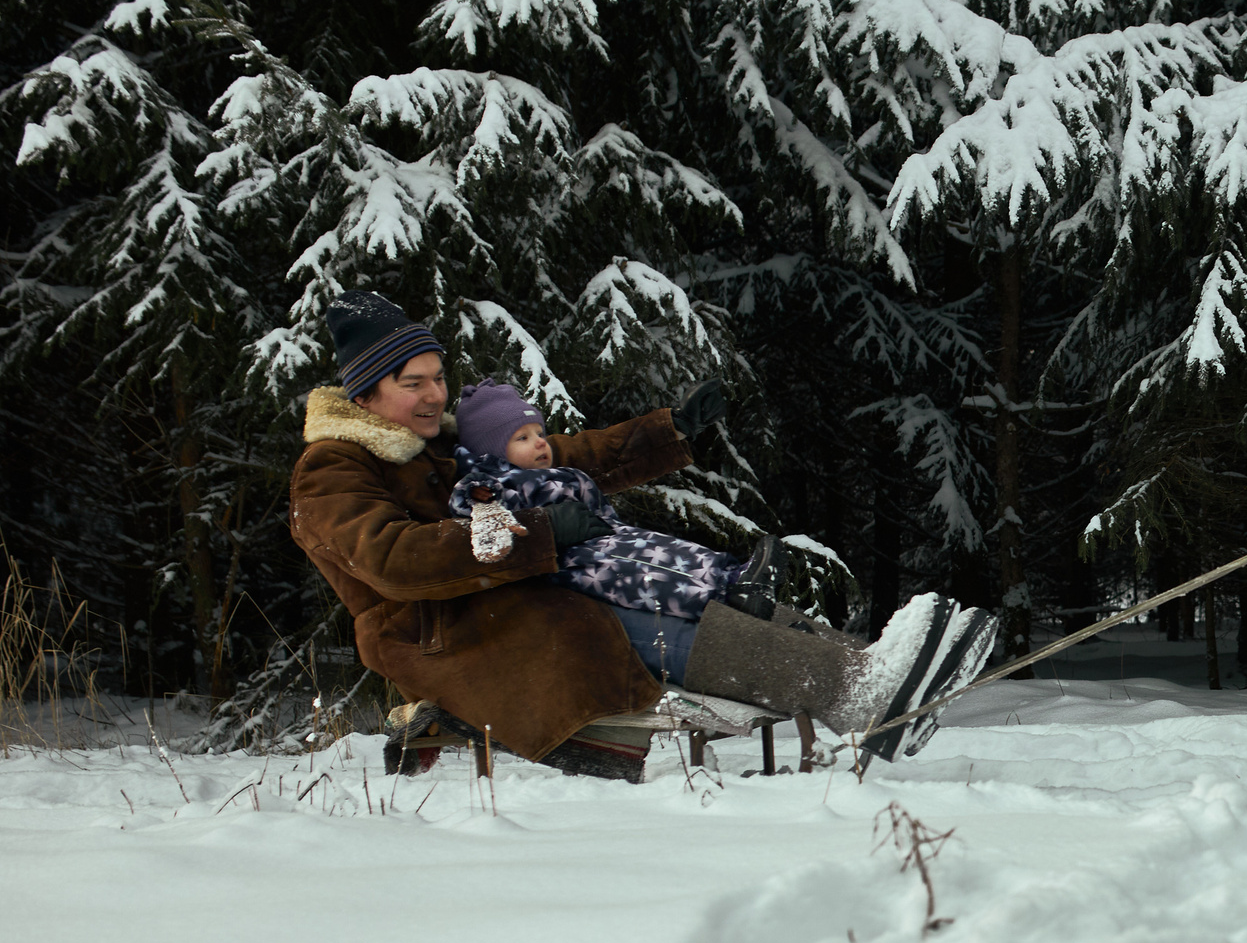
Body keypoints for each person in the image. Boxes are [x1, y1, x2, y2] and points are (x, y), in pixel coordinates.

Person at [289, 291, 996, 781]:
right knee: (611, 610)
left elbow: (559, 459)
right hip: (447, 636)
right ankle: (854, 691)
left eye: (439, 378)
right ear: (366, 396)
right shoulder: (332, 469)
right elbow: (392, 559)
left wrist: (667, 432)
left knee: (658, 573)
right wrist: (534, 533)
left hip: (503, 598)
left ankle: (869, 668)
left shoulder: (438, 447)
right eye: (414, 383)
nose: (436, 395)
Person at [446, 378, 781, 626]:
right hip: (574, 560)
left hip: (608, 536)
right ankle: (725, 603)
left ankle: (736, 579)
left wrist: (674, 426)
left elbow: (599, 452)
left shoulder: (548, 469)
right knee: (650, 578)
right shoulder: (491, 481)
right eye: (522, 438)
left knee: (664, 548)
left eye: (539, 434)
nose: (538, 443)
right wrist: (529, 521)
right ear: (489, 451)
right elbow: (477, 504)